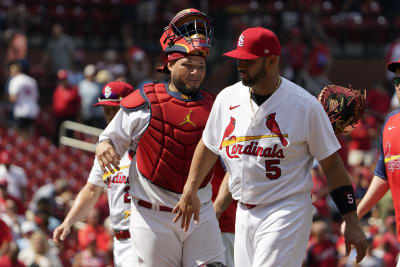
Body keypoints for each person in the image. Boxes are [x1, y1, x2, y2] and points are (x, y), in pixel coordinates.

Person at [173, 26, 368, 267]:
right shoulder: (227, 98)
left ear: (271, 61)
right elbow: (209, 145)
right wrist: (191, 189)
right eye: (238, 59)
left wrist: (351, 220)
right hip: (243, 212)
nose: (240, 65)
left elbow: (332, 166)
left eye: (249, 61)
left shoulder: (304, 106)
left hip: (286, 210)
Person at [96, 8, 225, 267]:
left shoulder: (217, 106)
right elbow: (110, 138)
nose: (195, 72)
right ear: (169, 64)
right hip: (152, 214)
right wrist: (103, 145)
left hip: (200, 210)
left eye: (200, 66)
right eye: (188, 65)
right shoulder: (145, 100)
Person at [53, 81, 135, 267]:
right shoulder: (105, 149)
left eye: (116, 110)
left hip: (146, 233)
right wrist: (69, 221)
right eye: (106, 111)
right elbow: (91, 190)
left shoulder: (146, 143)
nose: (111, 116)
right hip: (121, 240)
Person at [356, 58, 400, 266]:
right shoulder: (390, 122)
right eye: (397, 80)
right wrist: (356, 214)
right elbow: (383, 174)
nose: (399, 85)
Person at [7, 60, 40, 138]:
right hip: (32, 112)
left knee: (20, 137)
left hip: (21, 111)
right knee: (29, 136)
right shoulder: (32, 81)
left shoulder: (16, 80)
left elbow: (13, 98)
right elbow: (36, 97)